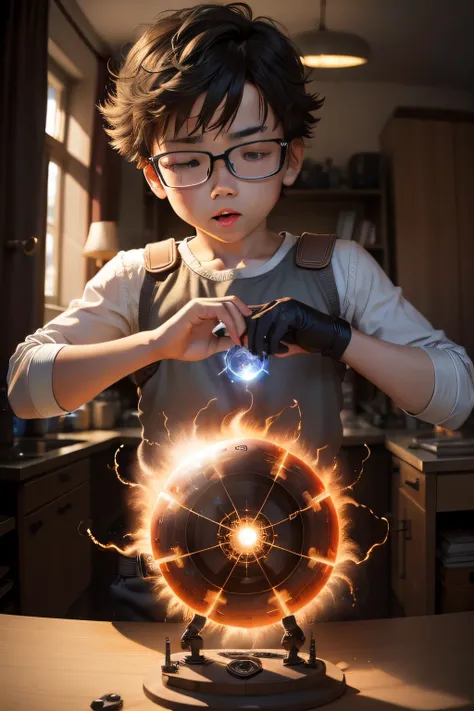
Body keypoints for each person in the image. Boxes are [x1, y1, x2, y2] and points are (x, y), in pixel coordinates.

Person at [7, 4, 474, 619]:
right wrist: (154, 345)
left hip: (304, 578)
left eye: (251, 152)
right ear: (153, 173)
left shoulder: (340, 266)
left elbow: (458, 397)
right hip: (173, 581)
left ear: (293, 158)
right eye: (189, 159)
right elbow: (24, 389)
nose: (222, 184)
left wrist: (338, 338)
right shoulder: (135, 274)